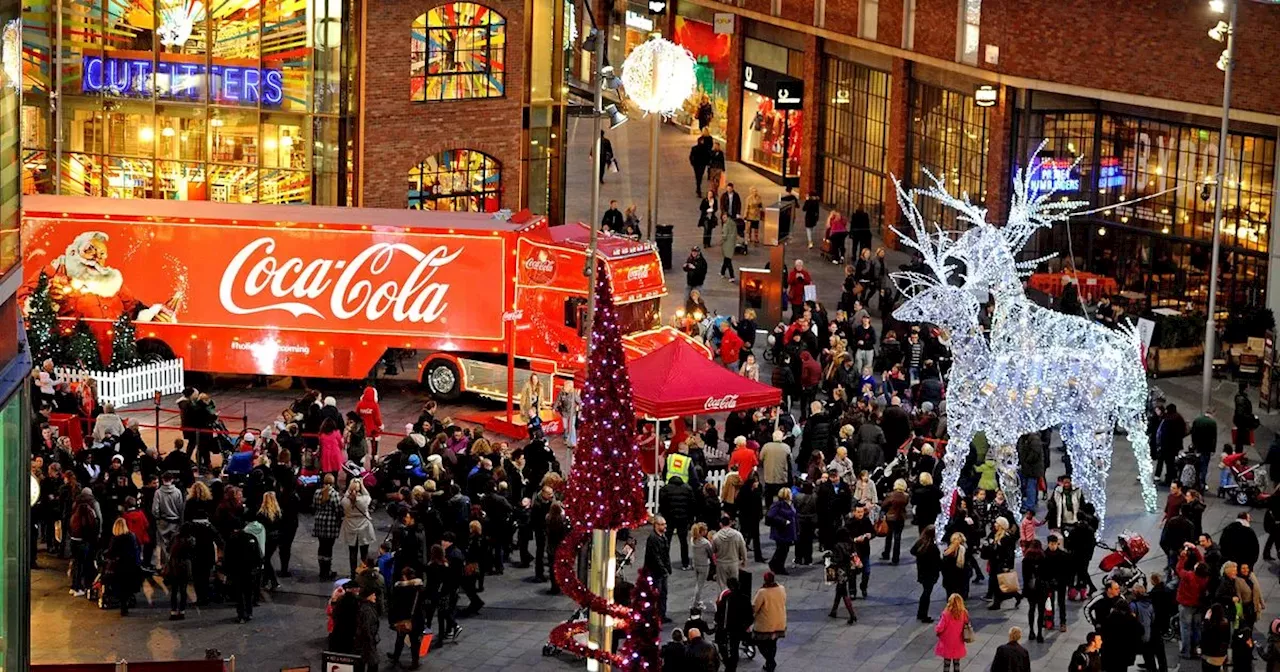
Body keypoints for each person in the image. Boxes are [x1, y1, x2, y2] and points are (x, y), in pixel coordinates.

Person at [387, 566, 426, 670]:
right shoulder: (420, 588)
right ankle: (415, 662)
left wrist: (392, 620)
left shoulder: (400, 589)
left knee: (400, 637)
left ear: (404, 576)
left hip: (403, 618)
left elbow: (395, 605)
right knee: (415, 641)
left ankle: (396, 657)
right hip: (417, 618)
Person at [226, 522, 263, 624]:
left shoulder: (232, 539)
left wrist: (227, 571)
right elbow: (258, 555)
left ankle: (241, 615)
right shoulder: (251, 538)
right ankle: (249, 612)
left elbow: (228, 556)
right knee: (248, 593)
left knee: (239, 594)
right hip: (250, 571)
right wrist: (257, 567)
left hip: (237, 571)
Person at [104, 518, 141, 616]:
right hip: (131, 566)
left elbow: (110, 553)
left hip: (119, 567)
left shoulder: (115, 539)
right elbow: (137, 550)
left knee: (120, 587)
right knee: (128, 586)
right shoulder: (132, 536)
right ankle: (128, 601)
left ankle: (123, 606)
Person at [340, 479, 376, 577]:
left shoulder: (345, 501)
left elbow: (346, 495)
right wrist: (362, 484)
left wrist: (351, 487)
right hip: (363, 527)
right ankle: (363, 573)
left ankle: (353, 574)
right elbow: (368, 495)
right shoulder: (364, 500)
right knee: (364, 553)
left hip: (350, 527)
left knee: (352, 552)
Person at [752, 571, 787, 672]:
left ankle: (770, 661)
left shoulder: (762, 592)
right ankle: (770, 663)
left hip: (765, 624)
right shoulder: (781, 588)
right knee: (772, 644)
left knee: (760, 643)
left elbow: (755, 607)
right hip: (779, 621)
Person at [659, 476, 695, 570]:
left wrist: (665, 516)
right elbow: (692, 504)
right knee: (683, 542)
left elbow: (662, 504)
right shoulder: (687, 488)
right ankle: (685, 563)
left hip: (669, 518)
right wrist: (690, 520)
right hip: (683, 518)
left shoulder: (665, 489)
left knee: (666, 541)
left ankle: (664, 563)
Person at [311, 474, 342, 581]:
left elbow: (314, 507)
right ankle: (327, 571)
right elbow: (338, 510)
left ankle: (321, 570)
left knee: (321, 546)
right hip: (330, 524)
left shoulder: (317, 493)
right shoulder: (334, 494)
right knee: (328, 548)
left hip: (319, 522)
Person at [827, 528, 859, 624]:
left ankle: (852, 614)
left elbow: (838, 559)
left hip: (841, 571)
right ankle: (834, 610)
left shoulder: (838, 546)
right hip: (850, 570)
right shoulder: (851, 544)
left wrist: (831, 558)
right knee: (839, 590)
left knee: (843, 592)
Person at [911, 525, 942, 623]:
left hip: (922, 571)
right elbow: (937, 562)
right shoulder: (932, 547)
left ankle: (921, 613)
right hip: (931, 573)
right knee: (927, 593)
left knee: (925, 592)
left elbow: (912, 551)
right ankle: (923, 614)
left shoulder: (920, 543)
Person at [646, 515, 674, 622]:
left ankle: (662, 615)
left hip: (662, 571)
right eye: (662, 524)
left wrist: (668, 567)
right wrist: (664, 569)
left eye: (665, 524)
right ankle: (653, 616)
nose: (664, 526)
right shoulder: (653, 539)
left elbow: (665, 555)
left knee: (663, 594)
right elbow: (655, 557)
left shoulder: (663, 537)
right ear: (656, 525)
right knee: (655, 595)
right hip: (655, 571)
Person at [934, 593, 970, 672]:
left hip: (947, 642)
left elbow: (940, 628)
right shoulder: (964, 613)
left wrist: (936, 629)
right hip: (958, 641)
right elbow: (966, 623)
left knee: (947, 663)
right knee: (957, 663)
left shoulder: (946, 614)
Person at [711, 515, 747, 591]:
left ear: (720, 524)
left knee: (722, 585)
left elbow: (713, 550)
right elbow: (743, 548)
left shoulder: (716, 536)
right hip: (733, 562)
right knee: (734, 585)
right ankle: (733, 601)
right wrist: (744, 560)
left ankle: (723, 601)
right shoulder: (738, 535)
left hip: (721, 563)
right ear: (730, 523)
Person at [766, 488, 797, 574]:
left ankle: (776, 565)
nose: (792, 494)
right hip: (781, 532)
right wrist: (783, 521)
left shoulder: (791, 504)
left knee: (784, 550)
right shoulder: (778, 504)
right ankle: (778, 567)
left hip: (788, 532)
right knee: (781, 550)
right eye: (790, 493)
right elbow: (770, 516)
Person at [880, 479, 910, 564]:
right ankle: (895, 558)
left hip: (890, 518)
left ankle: (886, 554)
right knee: (898, 538)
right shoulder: (906, 496)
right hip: (900, 518)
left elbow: (884, 505)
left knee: (889, 537)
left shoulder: (891, 495)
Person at [1202, 604, 1232, 672]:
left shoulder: (1209, 626)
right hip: (1222, 655)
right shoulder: (1225, 624)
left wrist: (1206, 620)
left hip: (1211, 655)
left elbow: (1204, 638)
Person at [690, 129, 712, 195]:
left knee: (699, 175)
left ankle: (698, 187)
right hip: (699, 164)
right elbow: (691, 156)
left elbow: (691, 156)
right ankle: (698, 187)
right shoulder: (697, 149)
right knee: (699, 175)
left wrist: (693, 163)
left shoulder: (696, 148)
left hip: (699, 164)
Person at [719, 216, 738, 282]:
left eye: (724, 218)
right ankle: (722, 272)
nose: (723, 219)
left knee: (728, 260)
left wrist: (721, 241)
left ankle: (732, 276)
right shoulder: (733, 223)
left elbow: (724, 236)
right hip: (732, 243)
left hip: (727, 244)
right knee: (726, 259)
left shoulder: (726, 225)